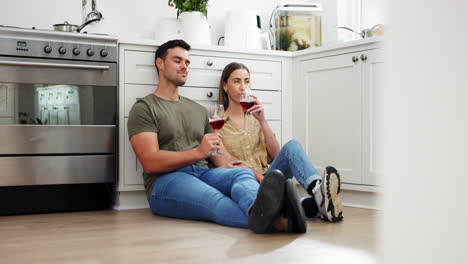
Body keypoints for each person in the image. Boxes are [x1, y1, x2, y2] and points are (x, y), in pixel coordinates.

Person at [127, 39, 307, 233]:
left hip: (203, 174)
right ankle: (281, 220)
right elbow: (150, 162)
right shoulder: (144, 108)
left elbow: (222, 158)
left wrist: (251, 172)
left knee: (242, 174)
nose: (184, 67)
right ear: (160, 63)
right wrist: (198, 152)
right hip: (166, 181)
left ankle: (265, 211)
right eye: (177, 60)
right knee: (214, 200)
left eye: (187, 63)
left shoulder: (198, 110)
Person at [217, 62, 344, 222]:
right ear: (225, 86)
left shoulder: (255, 118)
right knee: (275, 205)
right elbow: (225, 163)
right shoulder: (217, 123)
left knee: (292, 146)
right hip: (246, 183)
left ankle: (317, 191)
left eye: (247, 81)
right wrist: (257, 177)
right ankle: (317, 205)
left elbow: (278, 155)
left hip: (269, 177)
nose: (243, 87)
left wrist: (262, 120)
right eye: (237, 81)